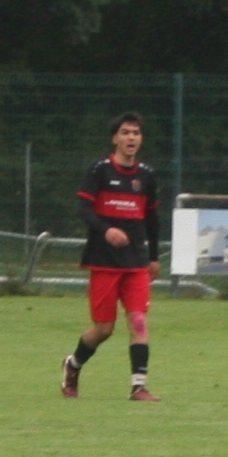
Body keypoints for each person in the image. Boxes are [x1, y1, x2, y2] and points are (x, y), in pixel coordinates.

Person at [62, 112, 162, 400]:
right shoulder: (100, 171)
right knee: (104, 329)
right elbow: (84, 210)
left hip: (136, 262)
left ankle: (138, 386)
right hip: (104, 260)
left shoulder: (146, 176)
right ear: (115, 138)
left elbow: (152, 219)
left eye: (136, 133)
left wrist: (154, 256)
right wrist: (106, 231)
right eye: (126, 132)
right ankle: (73, 365)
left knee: (139, 320)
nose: (131, 138)